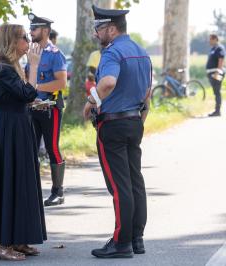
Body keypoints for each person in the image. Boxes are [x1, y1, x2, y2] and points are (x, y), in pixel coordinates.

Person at [83, 5, 152, 258]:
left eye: (98, 28)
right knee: (135, 181)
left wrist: (91, 102)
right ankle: (136, 238)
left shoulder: (112, 53)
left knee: (119, 185)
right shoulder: (142, 52)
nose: (96, 34)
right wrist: (140, 119)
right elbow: (147, 94)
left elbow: (108, 82)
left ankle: (121, 242)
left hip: (112, 124)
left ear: (111, 29)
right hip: (135, 121)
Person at [0, 24, 47, 261]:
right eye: (24, 38)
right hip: (10, 130)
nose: (28, 42)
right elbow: (28, 93)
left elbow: (22, 97)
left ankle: (17, 238)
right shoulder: (3, 70)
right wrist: (34, 66)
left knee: (22, 181)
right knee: (9, 180)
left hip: (18, 127)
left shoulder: (10, 68)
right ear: (11, 41)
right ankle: (1, 243)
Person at [27, 13, 68, 207]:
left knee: (52, 148)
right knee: (31, 149)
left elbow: (62, 82)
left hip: (51, 108)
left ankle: (57, 192)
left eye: (34, 28)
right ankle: (31, 190)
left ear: (45, 31)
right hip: (33, 108)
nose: (31, 31)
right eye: (31, 28)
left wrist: (36, 88)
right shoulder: (31, 52)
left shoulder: (55, 54)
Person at [206, 33, 225, 117]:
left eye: (210, 39)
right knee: (215, 91)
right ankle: (216, 110)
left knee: (217, 91)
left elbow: (221, 60)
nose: (209, 41)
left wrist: (217, 72)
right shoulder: (213, 48)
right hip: (212, 73)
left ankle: (217, 111)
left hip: (216, 72)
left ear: (215, 39)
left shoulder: (219, 48)